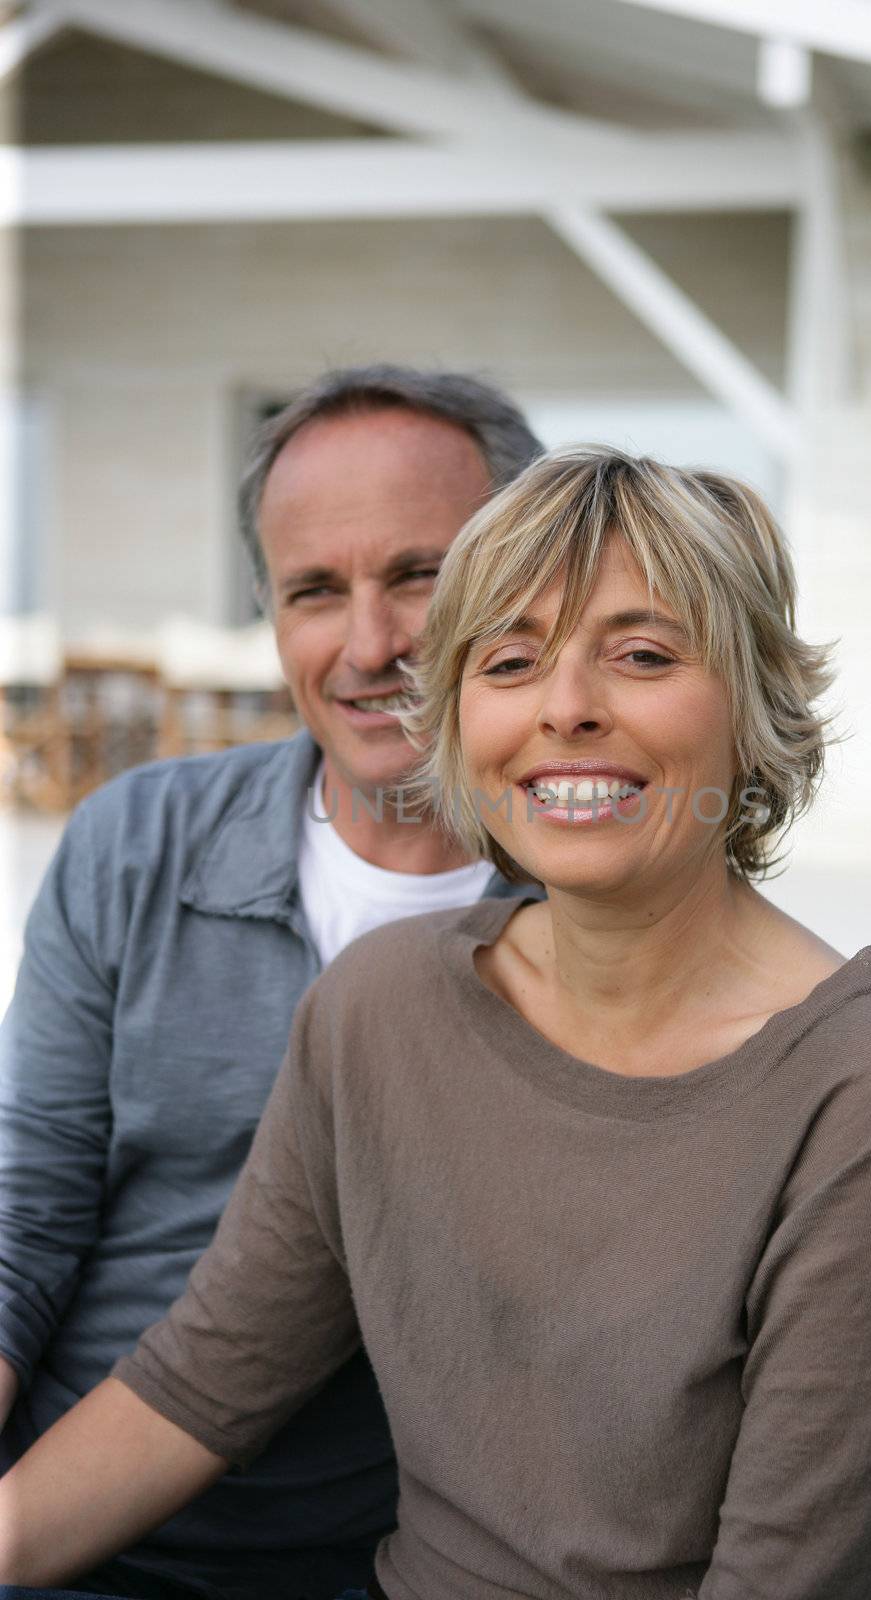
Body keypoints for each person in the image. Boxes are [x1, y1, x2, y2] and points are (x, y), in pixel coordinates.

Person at [0, 448, 871, 1600]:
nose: (565, 708)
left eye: (643, 656)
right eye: (509, 661)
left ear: (755, 701)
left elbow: (791, 1580)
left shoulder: (865, 1086)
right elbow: (201, 1384)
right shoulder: (381, 1005)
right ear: (458, 721)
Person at [0, 366, 543, 1600]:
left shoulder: (592, 915)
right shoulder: (134, 840)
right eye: (314, 591)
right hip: (55, 1515)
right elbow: (22, 1206)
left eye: (419, 575)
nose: (369, 645)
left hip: (381, 1563)